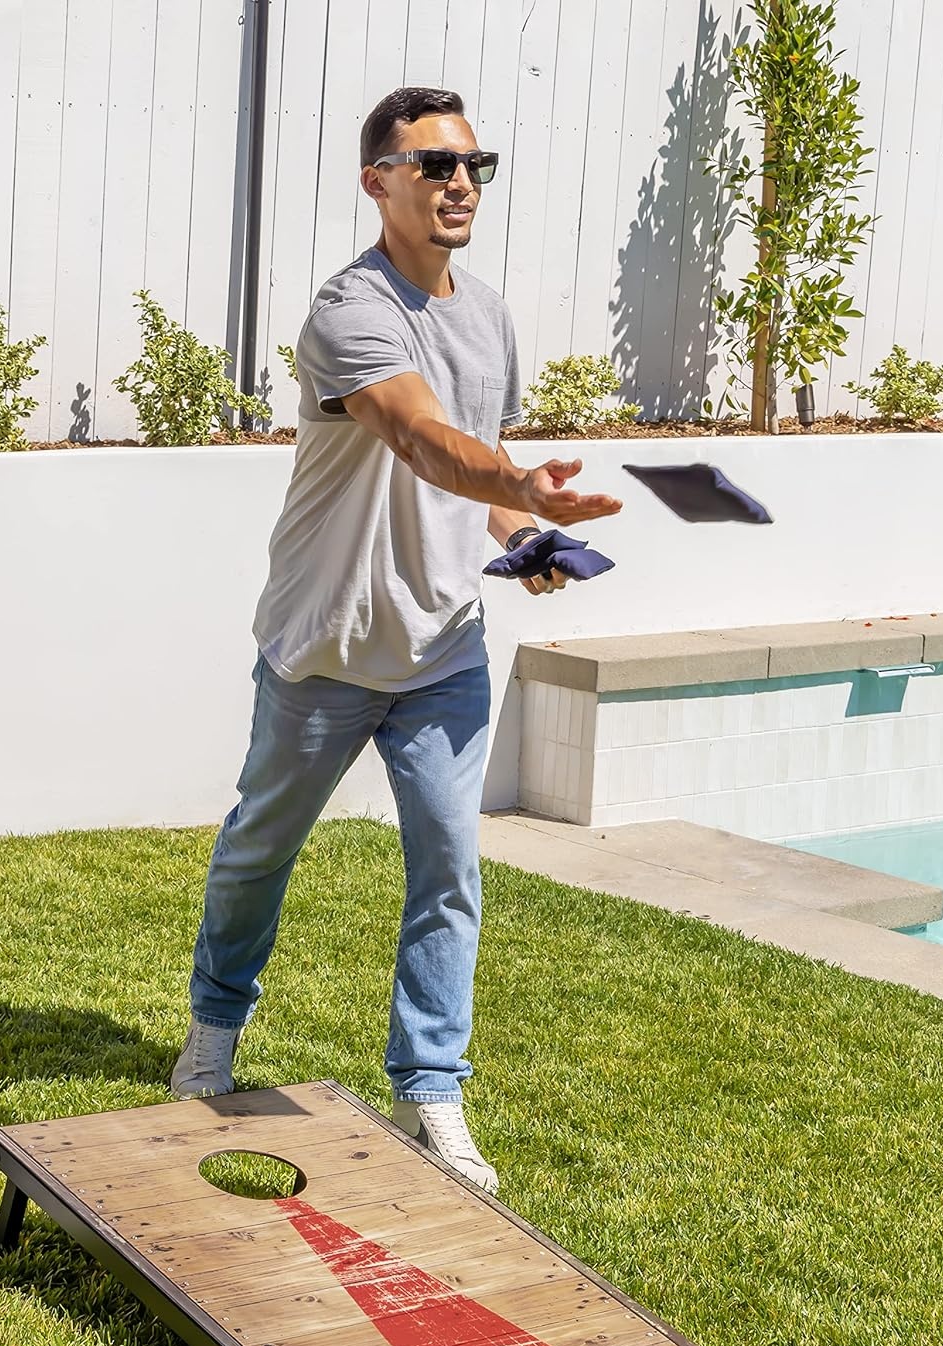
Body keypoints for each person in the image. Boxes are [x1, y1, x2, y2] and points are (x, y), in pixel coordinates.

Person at [170, 87, 623, 1192]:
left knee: (448, 864)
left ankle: (431, 1091)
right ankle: (215, 1032)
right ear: (378, 181)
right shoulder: (349, 311)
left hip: (443, 650)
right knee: (256, 854)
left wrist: (523, 532)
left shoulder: (489, 312)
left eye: (475, 166)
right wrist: (512, 481)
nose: (459, 184)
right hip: (325, 647)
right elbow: (423, 438)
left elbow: (478, 465)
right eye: (433, 166)